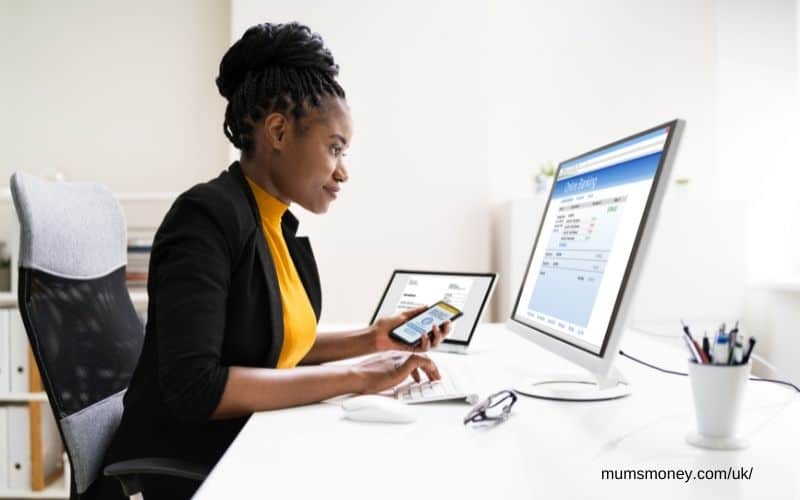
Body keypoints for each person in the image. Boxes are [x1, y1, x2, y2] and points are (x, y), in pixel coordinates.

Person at [101, 21, 451, 499]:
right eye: (335, 148)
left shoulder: (273, 225)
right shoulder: (205, 217)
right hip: (189, 463)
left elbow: (265, 347)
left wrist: (371, 340)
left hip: (245, 444)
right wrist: (356, 377)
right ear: (279, 131)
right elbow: (195, 386)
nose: (343, 171)